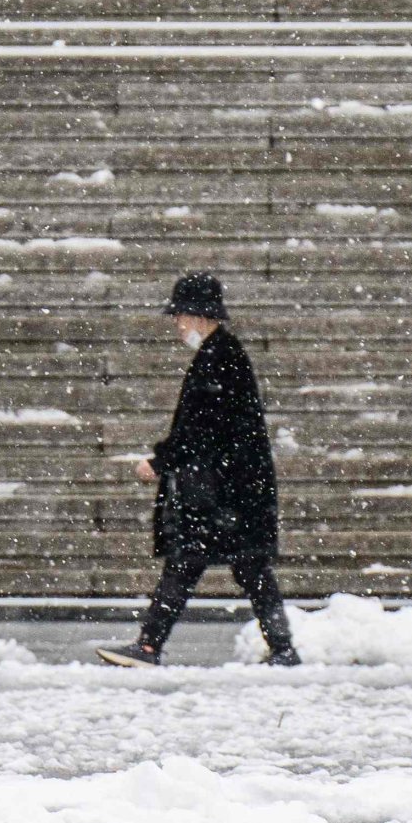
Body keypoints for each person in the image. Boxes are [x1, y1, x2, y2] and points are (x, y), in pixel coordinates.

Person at [100, 274, 300, 668]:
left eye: (181, 316)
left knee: (190, 564)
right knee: (245, 569)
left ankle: (149, 647)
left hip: (221, 491)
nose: (177, 324)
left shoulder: (217, 359)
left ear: (200, 317)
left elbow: (197, 428)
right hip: (236, 489)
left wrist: (160, 461)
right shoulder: (224, 354)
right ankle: (282, 649)